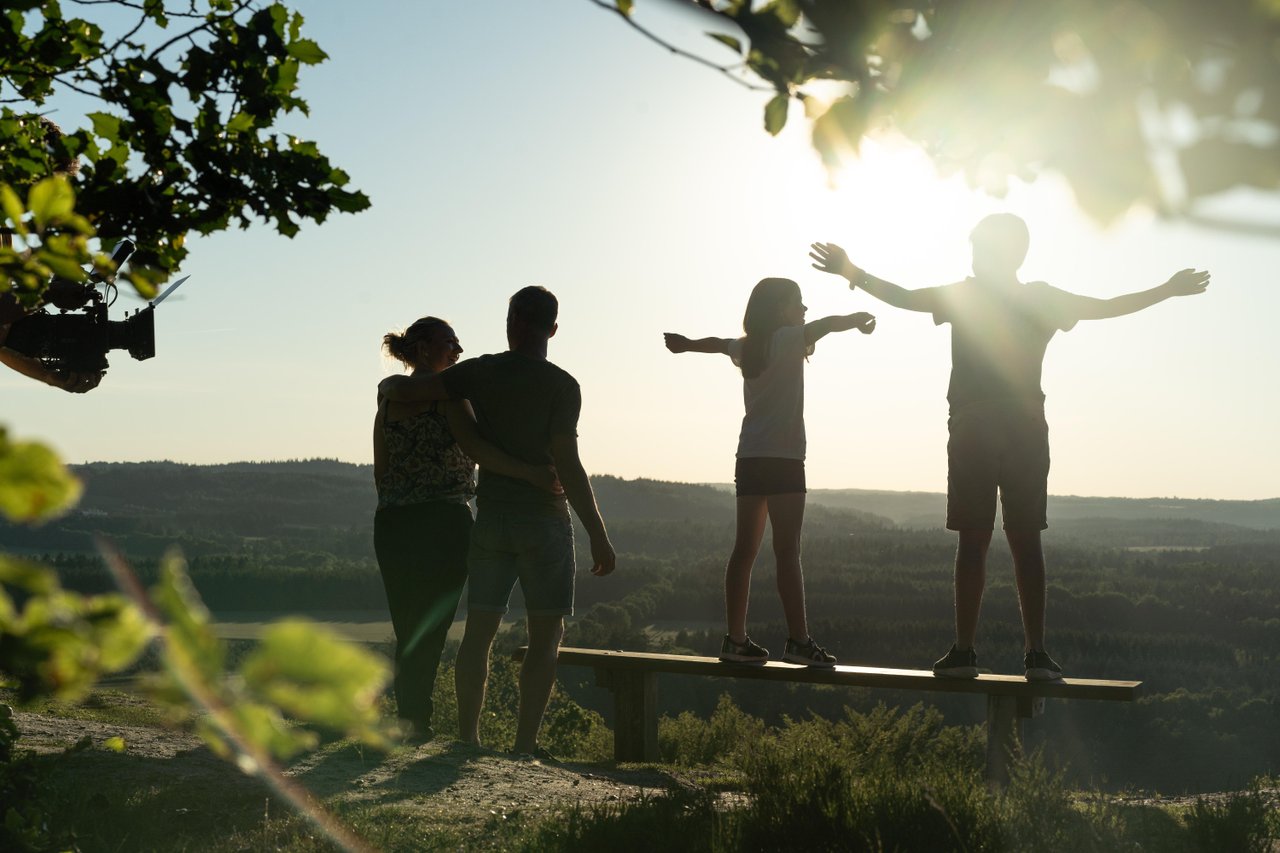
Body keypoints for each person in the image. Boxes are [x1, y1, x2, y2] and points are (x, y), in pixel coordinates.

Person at [810, 214, 1210, 680]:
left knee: (973, 540)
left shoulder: (967, 294)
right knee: (1026, 541)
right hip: (1024, 424)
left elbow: (903, 297)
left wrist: (852, 272)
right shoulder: (1041, 297)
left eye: (977, 248)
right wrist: (1165, 289)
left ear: (990, 253)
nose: (973, 257)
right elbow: (1107, 306)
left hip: (974, 425)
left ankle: (964, 651)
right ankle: (1036, 654)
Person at [379, 286, 615, 760]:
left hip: (489, 520)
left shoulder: (479, 372)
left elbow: (406, 389)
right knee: (545, 636)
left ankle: (468, 739)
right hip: (544, 522)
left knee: (479, 633)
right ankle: (524, 748)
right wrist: (598, 534)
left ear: (511, 322)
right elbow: (566, 462)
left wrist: (387, 387)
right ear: (552, 329)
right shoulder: (563, 386)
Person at [664, 278, 876, 667]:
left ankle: (735, 639)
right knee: (786, 552)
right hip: (784, 460)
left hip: (749, 458)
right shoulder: (790, 339)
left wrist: (685, 344)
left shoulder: (750, 347)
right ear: (781, 309)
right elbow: (827, 323)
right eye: (799, 302)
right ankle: (798, 642)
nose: (805, 309)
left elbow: (716, 343)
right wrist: (859, 317)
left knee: (744, 551)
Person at [374, 315, 560, 743]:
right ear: (423, 349)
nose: (458, 351)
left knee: (407, 623)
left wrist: (398, 500)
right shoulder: (450, 399)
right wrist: (533, 474)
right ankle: (416, 722)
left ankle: (412, 719)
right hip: (444, 521)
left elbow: (380, 468)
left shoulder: (387, 399)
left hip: (394, 522)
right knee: (432, 625)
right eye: (450, 343)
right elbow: (479, 451)